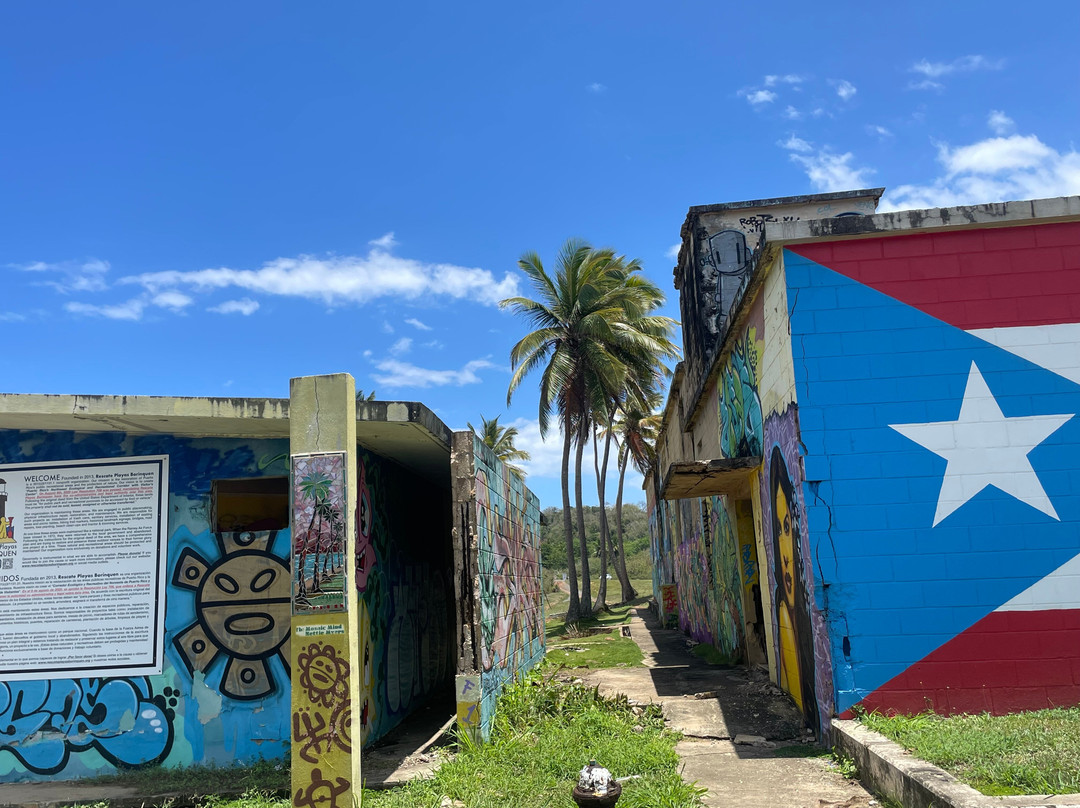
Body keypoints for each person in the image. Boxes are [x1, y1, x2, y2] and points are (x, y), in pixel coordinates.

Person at [770, 445, 818, 733]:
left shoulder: (805, 608)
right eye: (778, 528)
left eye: (787, 526)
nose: (785, 552)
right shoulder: (781, 609)